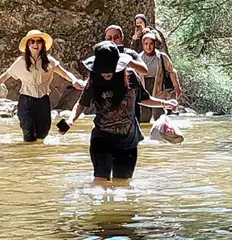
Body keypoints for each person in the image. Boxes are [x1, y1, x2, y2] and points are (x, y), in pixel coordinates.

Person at [67, 42, 178, 181]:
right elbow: (81, 104)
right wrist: (70, 121)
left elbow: (144, 99)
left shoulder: (131, 77)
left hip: (128, 140)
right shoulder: (94, 81)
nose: (106, 72)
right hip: (102, 139)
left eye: (109, 68)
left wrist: (164, 103)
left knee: (123, 184)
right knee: (100, 183)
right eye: (102, 69)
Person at [0, 30, 84, 142]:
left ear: (43, 45)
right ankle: (28, 152)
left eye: (39, 41)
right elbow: (6, 75)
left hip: (43, 101)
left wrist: (74, 81)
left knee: (42, 134)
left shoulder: (49, 61)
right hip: (26, 101)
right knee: (29, 134)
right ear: (28, 45)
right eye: (32, 41)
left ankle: (38, 152)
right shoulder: (21, 61)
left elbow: (65, 73)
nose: (35, 44)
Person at [137, 31, 182, 123]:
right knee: (143, 117)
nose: (148, 47)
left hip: (158, 89)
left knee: (159, 116)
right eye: (146, 44)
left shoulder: (162, 57)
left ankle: (162, 131)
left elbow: (172, 71)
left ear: (154, 44)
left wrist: (177, 86)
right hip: (143, 89)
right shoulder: (138, 58)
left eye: (151, 43)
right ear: (143, 45)